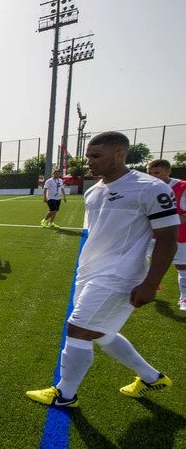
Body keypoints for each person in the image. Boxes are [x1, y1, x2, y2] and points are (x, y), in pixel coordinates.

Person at [26, 131, 179, 408]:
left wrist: (151, 282)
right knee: (102, 333)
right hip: (89, 271)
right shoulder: (93, 191)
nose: (89, 162)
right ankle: (151, 378)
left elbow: (168, 237)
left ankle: (65, 394)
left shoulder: (150, 187)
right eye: (88, 157)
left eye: (96, 156)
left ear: (120, 154)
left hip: (121, 275)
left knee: (78, 329)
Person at [146, 159, 186, 311]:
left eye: (157, 173)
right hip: (151, 234)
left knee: (182, 266)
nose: (153, 176)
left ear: (168, 172)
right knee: (142, 261)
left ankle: (184, 298)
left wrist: (172, 220)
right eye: (150, 173)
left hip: (178, 235)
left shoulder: (182, 187)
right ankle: (151, 285)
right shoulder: (147, 187)